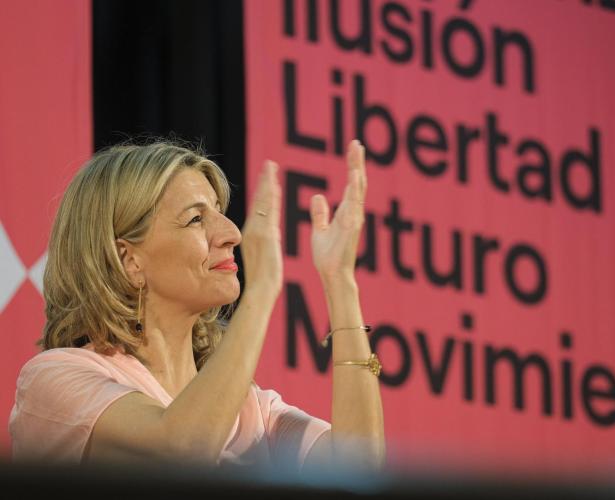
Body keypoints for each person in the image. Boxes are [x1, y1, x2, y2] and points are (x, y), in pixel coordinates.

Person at [8, 139, 385, 475]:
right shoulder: (54, 380)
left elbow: (356, 469)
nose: (232, 234)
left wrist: (340, 281)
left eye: (219, 211)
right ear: (129, 260)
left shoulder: (253, 410)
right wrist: (261, 290)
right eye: (195, 219)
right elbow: (182, 453)